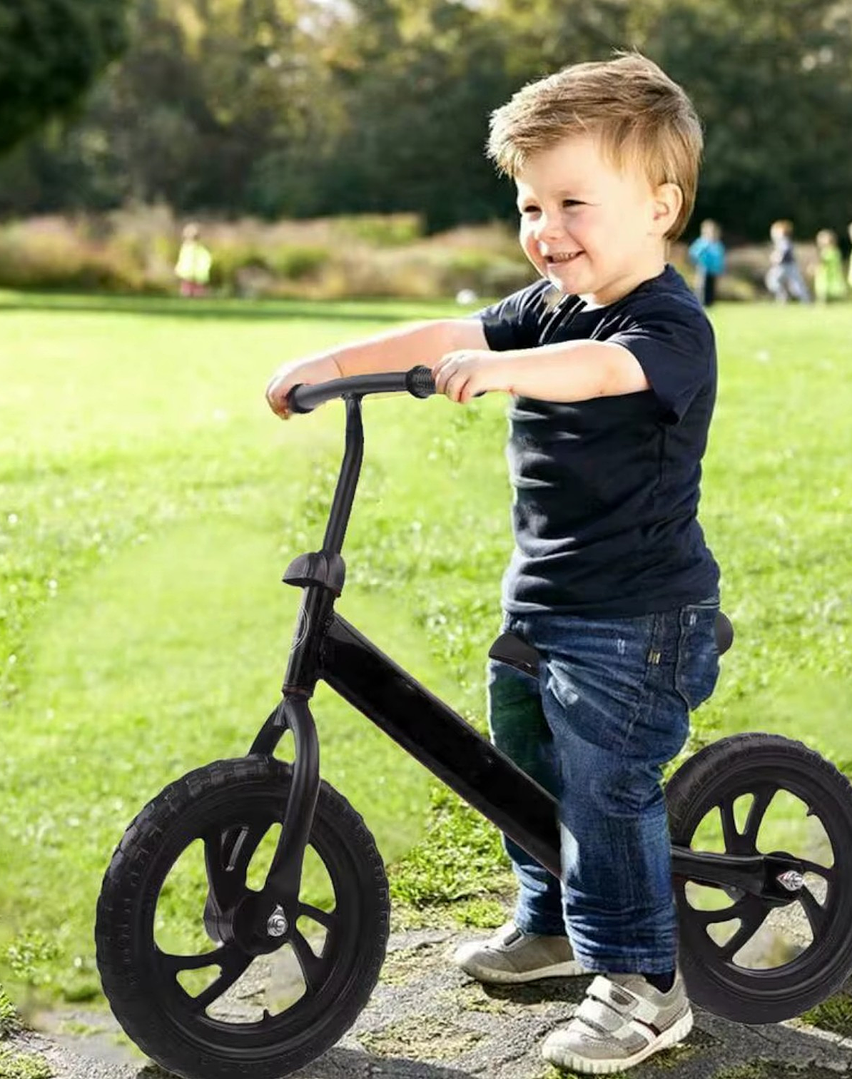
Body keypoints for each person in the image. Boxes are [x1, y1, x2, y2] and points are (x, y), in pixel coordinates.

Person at [264, 53, 721, 1075]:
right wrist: (328, 366)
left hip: (638, 621)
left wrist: (502, 370)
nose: (546, 228)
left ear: (657, 205)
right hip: (545, 606)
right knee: (520, 766)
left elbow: (602, 372)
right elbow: (444, 328)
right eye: (528, 204)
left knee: (603, 784)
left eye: (572, 201)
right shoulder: (546, 304)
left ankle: (643, 981)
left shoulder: (664, 324)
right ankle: (555, 921)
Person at [765, 219, 811, 303]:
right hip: (782, 266)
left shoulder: (784, 240)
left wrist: (777, 257)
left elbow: (784, 250)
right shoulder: (779, 241)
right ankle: (783, 297)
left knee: (795, 285)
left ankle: (805, 300)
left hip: (787, 266)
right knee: (774, 282)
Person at [687, 218, 725, 306]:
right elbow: (693, 252)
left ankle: (710, 303)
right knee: (702, 286)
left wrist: (720, 269)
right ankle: (700, 303)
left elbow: (720, 258)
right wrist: (697, 262)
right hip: (703, 269)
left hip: (714, 270)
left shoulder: (718, 245)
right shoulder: (702, 243)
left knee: (711, 287)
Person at [174, 223, 212, 297]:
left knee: (197, 287)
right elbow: (182, 259)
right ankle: (189, 294)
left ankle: (196, 294)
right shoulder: (186, 248)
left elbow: (204, 258)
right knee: (187, 286)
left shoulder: (198, 249)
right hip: (188, 271)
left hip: (195, 272)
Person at [813, 229, 847, 303]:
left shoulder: (832, 252)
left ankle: (827, 301)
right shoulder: (828, 251)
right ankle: (823, 301)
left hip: (829, 273)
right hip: (824, 273)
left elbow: (824, 261)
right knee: (822, 288)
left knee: (825, 287)